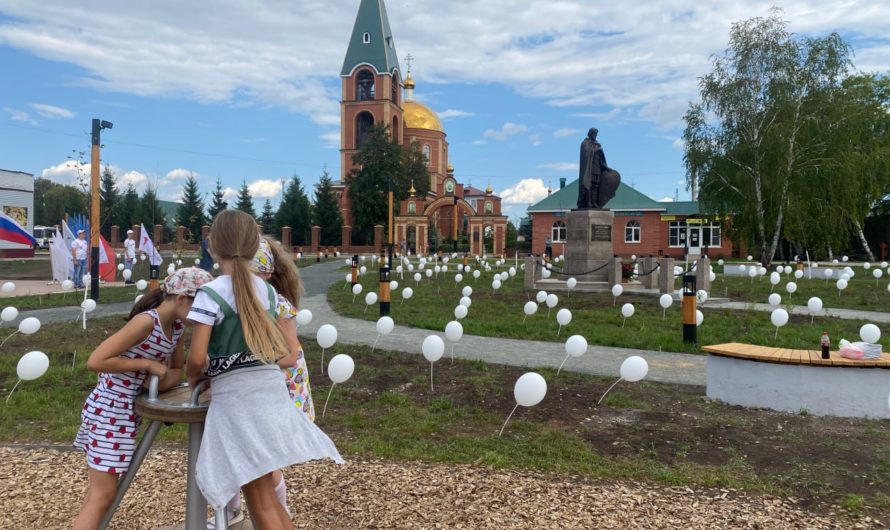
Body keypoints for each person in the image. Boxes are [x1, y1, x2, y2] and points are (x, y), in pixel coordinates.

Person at [187, 210, 343, 529]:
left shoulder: (210, 294)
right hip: (270, 396)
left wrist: (196, 378)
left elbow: (197, 356)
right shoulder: (269, 293)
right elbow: (277, 350)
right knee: (267, 500)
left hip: (239, 405)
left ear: (212, 247)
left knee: (259, 500)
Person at [72, 267, 214, 530]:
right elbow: (97, 360)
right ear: (181, 298)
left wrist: (159, 381)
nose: (204, 314)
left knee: (101, 494)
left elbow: (173, 370)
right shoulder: (147, 322)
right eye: (201, 306)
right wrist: (146, 364)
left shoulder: (177, 327)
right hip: (110, 409)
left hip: (126, 411)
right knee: (101, 496)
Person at [212, 236, 315, 528]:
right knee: (234, 448)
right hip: (254, 389)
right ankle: (232, 513)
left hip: (276, 390)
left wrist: (246, 361)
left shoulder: (275, 304)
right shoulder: (238, 304)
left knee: (266, 465)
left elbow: (289, 355)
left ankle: (277, 514)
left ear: (267, 275)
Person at [577, 128, 607, 209]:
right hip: (589, 168)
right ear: (590, 134)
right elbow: (586, 152)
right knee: (588, 184)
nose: (595, 136)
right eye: (594, 134)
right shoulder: (585, 143)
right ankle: (588, 202)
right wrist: (596, 150)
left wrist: (605, 166)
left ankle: (594, 202)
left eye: (596, 134)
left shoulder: (597, 144)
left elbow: (601, 157)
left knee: (596, 184)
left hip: (597, 167)